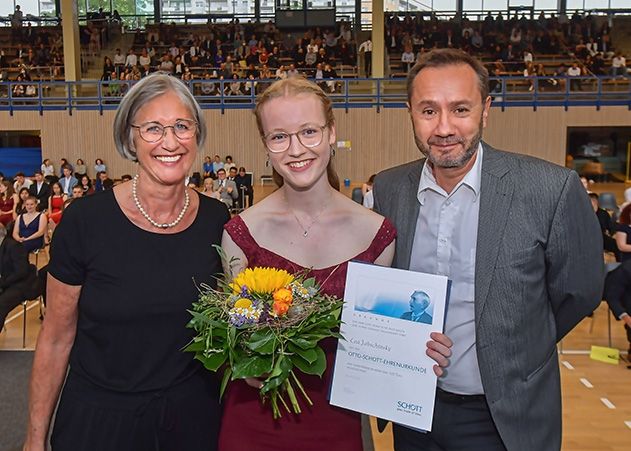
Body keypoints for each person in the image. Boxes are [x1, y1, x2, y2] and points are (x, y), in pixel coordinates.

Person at [373, 49, 603, 451]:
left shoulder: (549, 189)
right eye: (428, 111)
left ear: (486, 110)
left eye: (460, 109)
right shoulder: (390, 189)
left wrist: (516, 342)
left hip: (503, 415)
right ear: (409, 111)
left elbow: (579, 293)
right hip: (412, 408)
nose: (444, 127)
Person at [218, 77, 451, 451]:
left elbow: (384, 339)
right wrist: (245, 357)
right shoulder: (239, 233)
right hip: (254, 423)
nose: (296, 149)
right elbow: (238, 331)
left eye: (308, 131)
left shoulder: (378, 235)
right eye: (279, 136)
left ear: (331, 133)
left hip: (338, 423)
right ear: (265, 145)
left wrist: (421, 353)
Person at [24, 73, 228, 451]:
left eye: (182, 126)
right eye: (153, 128)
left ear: (196, 135)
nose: (170, 141)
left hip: (192, 422)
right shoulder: (85, 222)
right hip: (99, 422)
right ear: (130, 138)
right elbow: (54, 339)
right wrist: (35, 438)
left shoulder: (219, 221)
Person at [0, 223, 40, 329]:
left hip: (20, 284)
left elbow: (21, 272)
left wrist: (2, 282)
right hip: (7, 282)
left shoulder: (14, 247)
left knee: (1, 304)